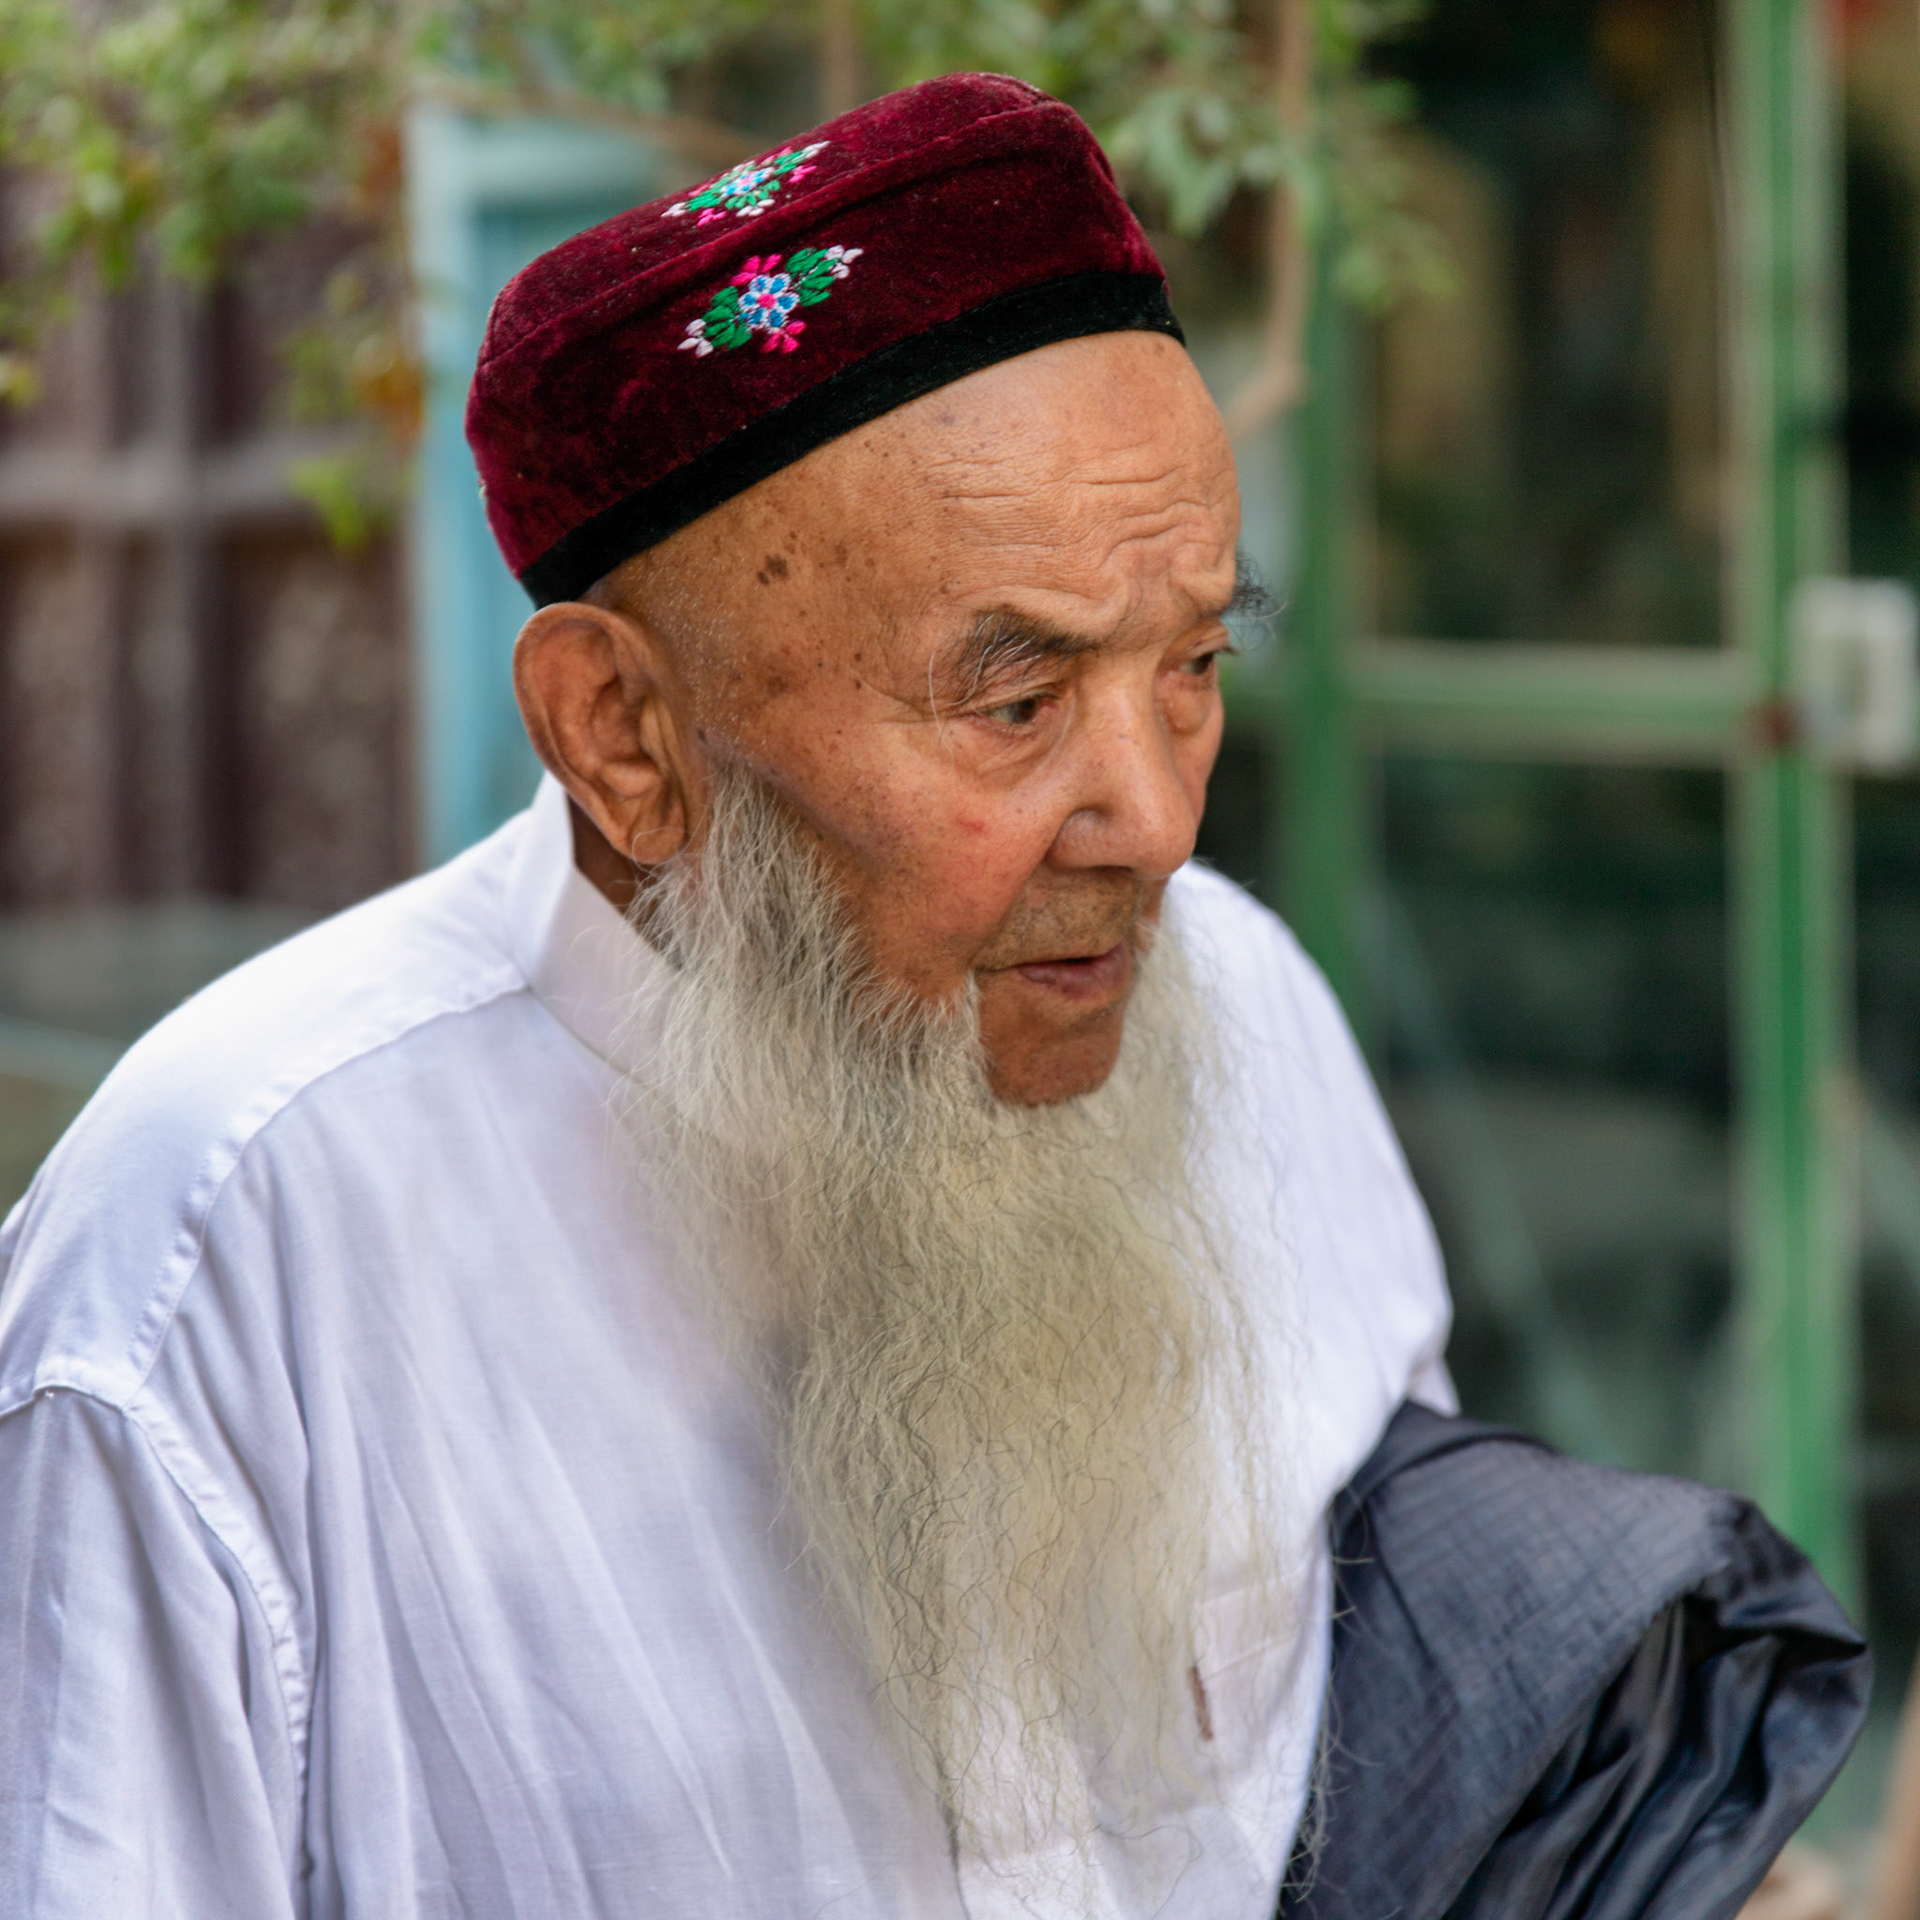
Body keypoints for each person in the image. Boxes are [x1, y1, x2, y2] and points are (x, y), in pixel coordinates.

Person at [0, 74, 1865, 1920]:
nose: (1153, 818)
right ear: (623, 733)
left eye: (1195, 660)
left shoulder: (1245, 1008)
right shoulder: (219, 1266)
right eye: (1018, 702)